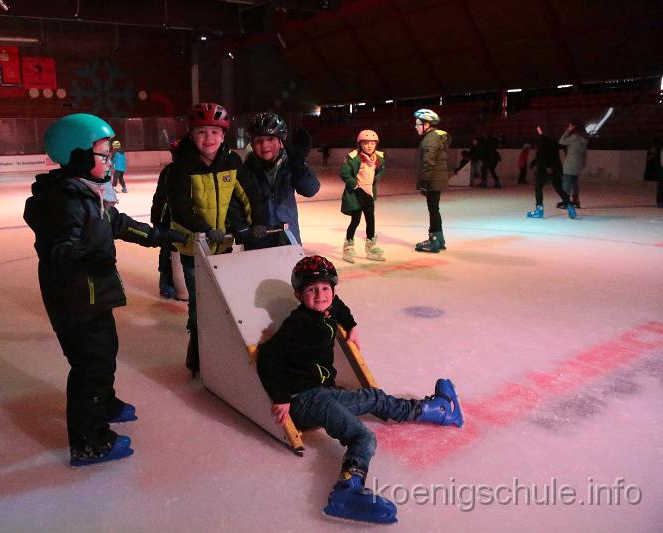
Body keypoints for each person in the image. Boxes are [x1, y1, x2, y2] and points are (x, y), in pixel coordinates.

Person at [23, 113, 185, 467]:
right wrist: (85, 257)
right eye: (103, 154)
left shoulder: (86, 193)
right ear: (78, 156)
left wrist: (160, 236)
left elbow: (117, 224)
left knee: (106, 351)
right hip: (75, 300)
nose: (110, 161)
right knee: (90, 367)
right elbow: (58, 250)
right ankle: (89, 441)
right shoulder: (63, 203)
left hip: (95, 294)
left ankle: (105, 403)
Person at [256, 255, 463, 524]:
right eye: (312, 290)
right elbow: (268, 356)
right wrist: (281, 397)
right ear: (298, 294)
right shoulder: (298, 325)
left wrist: (351, 325)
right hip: (304, 400)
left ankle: (436, 410)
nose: (320, 295)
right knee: (362, 437)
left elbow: (339, 307)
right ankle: (347, 491)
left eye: (325, 288)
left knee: (374, 397)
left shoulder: (329, 308)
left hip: (323, 392)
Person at [166, 102, 267, 376]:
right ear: (191, 135)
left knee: (224, 300)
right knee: (200, 303)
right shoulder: (181, 168)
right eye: (201, 132)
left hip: (221, 245)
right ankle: (197, 352)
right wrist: (204, 227)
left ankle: (222, 348)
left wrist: (258, 221)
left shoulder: (231, 162)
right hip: (193, 247)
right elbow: (180, 207)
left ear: (223, 135)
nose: (208, 138)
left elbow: (250, 194)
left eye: (214, 132)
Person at [235, 112, 319, 248]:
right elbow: (237, 204)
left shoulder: (290, 163)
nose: (265, 145)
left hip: (288, 235)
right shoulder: (246, 170)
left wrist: (299, 166)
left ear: (281, 142)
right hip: (259, 238)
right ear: (252, 143)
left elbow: (311, 190)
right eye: (259, 141)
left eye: (271, 139)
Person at [340, 130, 386, 263]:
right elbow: (345, 173)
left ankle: (370, 245)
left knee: (371, 220)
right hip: (356, 194)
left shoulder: (378, 158)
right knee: (355, 220)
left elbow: (381, 170)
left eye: (372, 143)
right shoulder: (354, 157)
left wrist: (375, 179)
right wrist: (355, 186)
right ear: (360, 144)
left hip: (369, 193)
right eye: (366, 143)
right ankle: (348, 245)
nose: (369, 146)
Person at [413, 109, 451, 253]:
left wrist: (424, 182)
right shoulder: (433, 137)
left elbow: (429, 162)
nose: (416, 127)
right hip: (436, 178)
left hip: (433, 179)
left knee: (433, 209)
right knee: (434, 209)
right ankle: (439, 239)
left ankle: (434, 241)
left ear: (427, 124)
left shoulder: (430, 138)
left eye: (418, 124)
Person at [150, 140, 179, 299]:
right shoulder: (169, 171)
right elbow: (160, 197)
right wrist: (157, 220)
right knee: (167, 250)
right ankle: (166, 281)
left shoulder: (193, 169)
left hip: (185, 220)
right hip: (168, 219)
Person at [527, 126, 577, 219]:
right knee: (559, 188)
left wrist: (547, 166)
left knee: (538, 187)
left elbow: (543, 154)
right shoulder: (553, 141)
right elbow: (546, 154)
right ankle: (571, 208)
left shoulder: (542, 141)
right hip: (556, 168)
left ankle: (539, 210)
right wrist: (534, 163)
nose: (538, 130)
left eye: (539, 129)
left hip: (545, 169)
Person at [557, 120, 588, 209]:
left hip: (570, 164)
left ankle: (566, 201)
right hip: (578, 164)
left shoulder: (574, 138)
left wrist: (568, 130)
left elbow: (561, 141)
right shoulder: (584, 140)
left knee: (566, 182)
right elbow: (585, 154)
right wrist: (583, 163)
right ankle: (575, 200)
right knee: (574, 182)